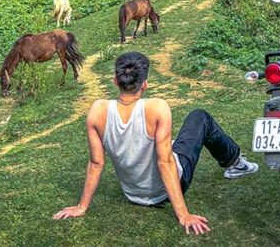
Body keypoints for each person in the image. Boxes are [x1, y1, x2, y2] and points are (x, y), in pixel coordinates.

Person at [52, 51, 259, 235]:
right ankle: (235, 163)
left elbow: (96, 163)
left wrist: (81, 206)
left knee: (170, 143)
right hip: (167, 188)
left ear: (115, 81)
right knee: (200, 117)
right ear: (144, 84)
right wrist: (183, 215)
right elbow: (165, 163)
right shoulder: (157, 107)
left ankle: (232, 161)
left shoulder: (97, 110)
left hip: (134, 195)